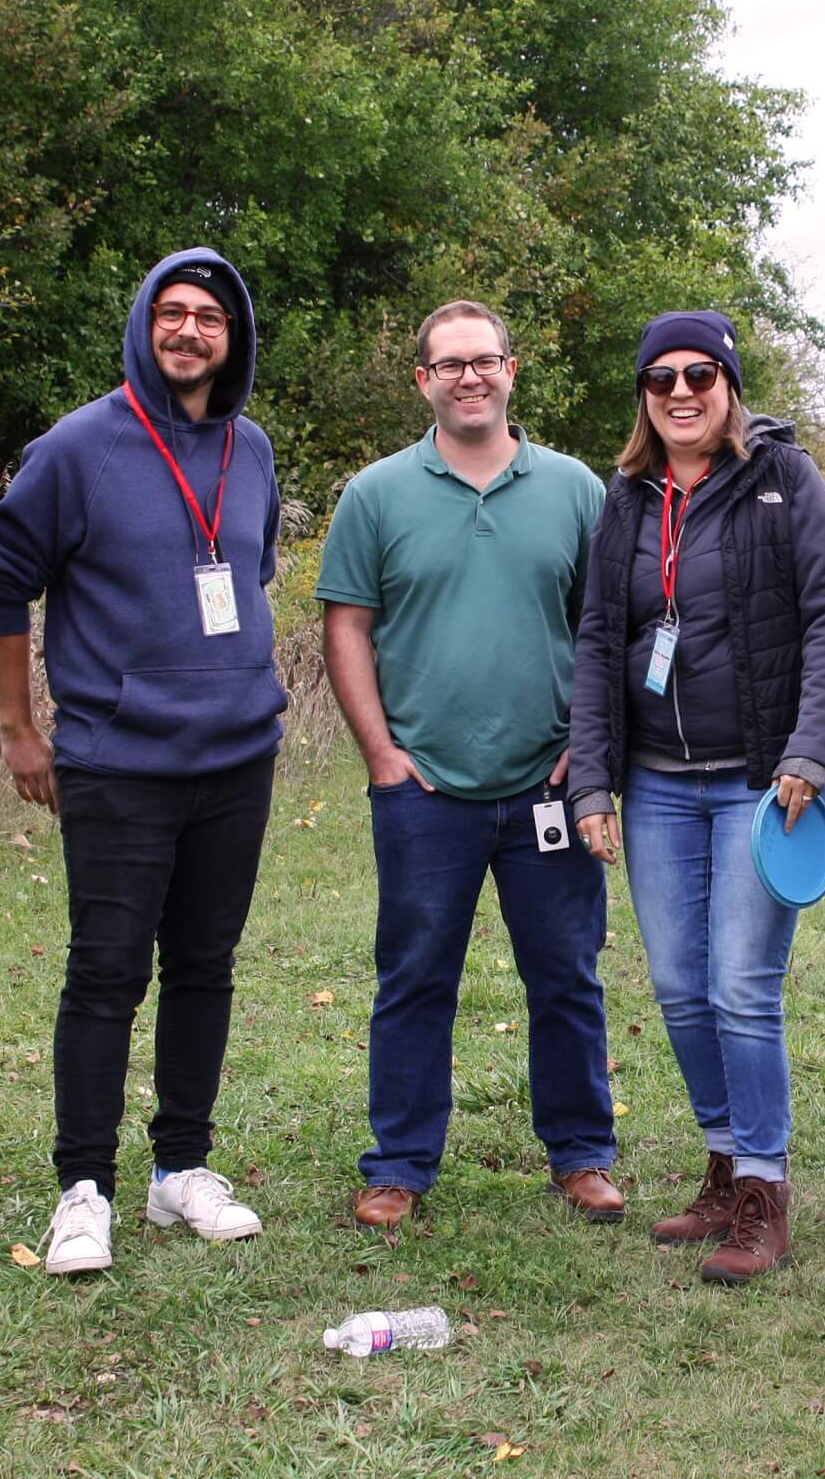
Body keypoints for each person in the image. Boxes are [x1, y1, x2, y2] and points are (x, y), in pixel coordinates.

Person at [0, 249, 284, 1275]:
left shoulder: (252, 450)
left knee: (204, 965)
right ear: (143, 324)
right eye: (172, 312)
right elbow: (3, 587)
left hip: (238, 755)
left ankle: (180, 1170)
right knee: (106, 973)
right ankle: (85, 1188)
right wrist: (21, 730)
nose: (190, 330)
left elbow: (246, 573)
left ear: (232, 336)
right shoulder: (76, 448)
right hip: (117, 761)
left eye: (210, 316)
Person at [566, 310, 825, 1285]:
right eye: (660, 379)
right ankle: (726, 1161)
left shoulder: (785, 480)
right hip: (653, 784)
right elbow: (602, 638)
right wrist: (594, 778)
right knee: (681, 991)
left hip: (755, 782)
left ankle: (766, 1191)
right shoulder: (626, 496)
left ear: (729, 385)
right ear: (644, 398)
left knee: (741, 986)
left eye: (700, 375)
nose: (681, 392)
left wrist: (809, 750)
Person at [316, 300, 618, 1231]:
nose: (469, 377)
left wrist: (591, 742)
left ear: (511, 371)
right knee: (414, 976)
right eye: (449, 365)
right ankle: (399, 1163)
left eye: (484, 361)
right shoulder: (376, 495)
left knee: (566, 974)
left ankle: (581, 1155)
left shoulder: (575, 490)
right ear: (424, 381)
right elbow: (347, 628)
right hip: (425, 791)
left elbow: (605, 629)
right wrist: (381, 756)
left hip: (549, 785)